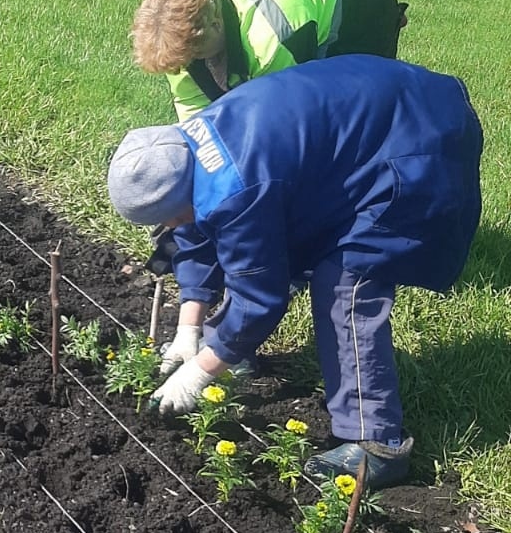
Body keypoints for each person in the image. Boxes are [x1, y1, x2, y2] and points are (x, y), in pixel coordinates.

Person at [104, 57, 483, 489]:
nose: (171, 229)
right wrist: (187, 329)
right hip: (380, 116)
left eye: (167, 220)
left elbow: (259, 297)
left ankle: (378, 446)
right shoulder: (186, 150)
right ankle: (228, 350)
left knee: (347, 284)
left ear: (178, 194)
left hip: (418, 138)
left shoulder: (238, 186)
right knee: (258, 239)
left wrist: (198, 374)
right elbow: (196, 232)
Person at [132, 0, 408, 122]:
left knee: (358, 106)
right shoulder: (187, 25)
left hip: (360, 0)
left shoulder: (271, 38)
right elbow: (194, 109)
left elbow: (280, 120)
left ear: (215, 25)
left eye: (194, 53)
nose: (188, 64)